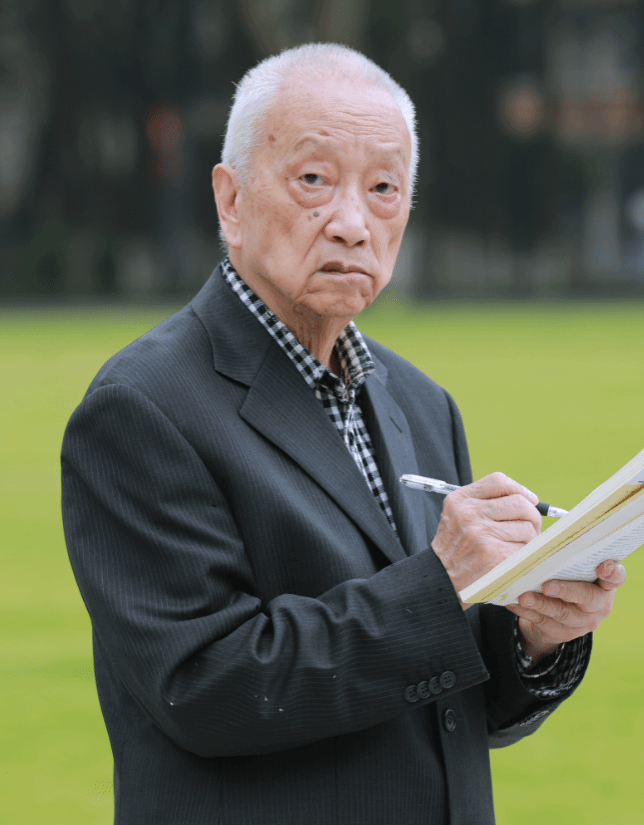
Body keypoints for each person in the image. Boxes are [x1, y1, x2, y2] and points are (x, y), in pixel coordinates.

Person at [61, 43, 625, 825]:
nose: (354, 224)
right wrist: (439, 583)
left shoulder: (422, 402)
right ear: (230, 198)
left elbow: (449, 704)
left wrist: (534, 638)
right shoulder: (142, 407)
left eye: (384, 188)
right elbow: (208, 686)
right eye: (313, 180)